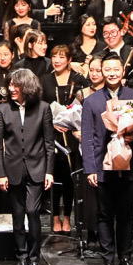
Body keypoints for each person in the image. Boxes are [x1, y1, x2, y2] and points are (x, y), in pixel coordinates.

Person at [80, 55, 133, 265]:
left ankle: (125, 258)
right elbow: (87, 138)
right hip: (102, 166)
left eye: (116, 69)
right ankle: (107, 259)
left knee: (126, 214)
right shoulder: (91, 101)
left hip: (129, 165)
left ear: (123, 71)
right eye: (107, 69)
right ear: (101, 71)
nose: (112, 73)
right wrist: (90, 169)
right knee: (104, 214)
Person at [0, 68, 55, 265]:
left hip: (37, 168)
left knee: (33, 212)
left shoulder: (43, 108)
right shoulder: (2, 110)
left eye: (15, 85)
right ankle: (21, 256)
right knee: (18, 215)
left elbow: (49, 143)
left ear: (26, 86)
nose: (11, 88)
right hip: (12, 169)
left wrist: (49, 171)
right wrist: (1, 174)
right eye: (10, 84)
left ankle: (35, 258)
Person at [41, 43, 87, 234]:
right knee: (53, 175)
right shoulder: (45, 79)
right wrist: (52, 123)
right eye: (54, 56)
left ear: (69, 60)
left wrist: (73, 125)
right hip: (52, 133)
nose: (57, 60)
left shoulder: (78, 79)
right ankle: (55, 217)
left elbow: (84, 105)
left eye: (62, 57)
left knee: (70, 177)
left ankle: (67, 216)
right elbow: (41, 107)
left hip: (73, 134)